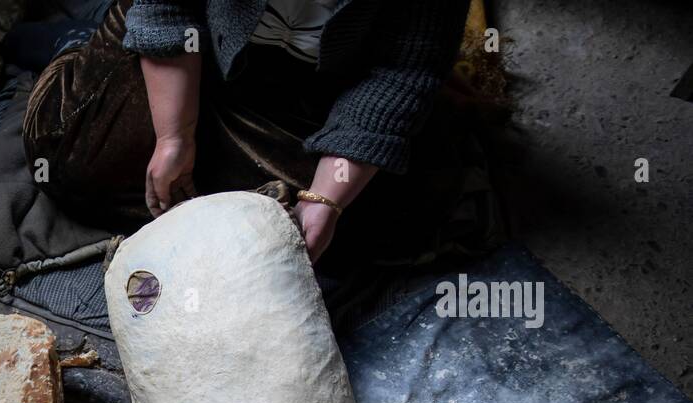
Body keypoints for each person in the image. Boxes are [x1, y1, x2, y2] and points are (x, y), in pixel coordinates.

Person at [23, 0, 472, 265]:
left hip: (323, 87)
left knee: (384, 230)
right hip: (197, 45)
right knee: (71, 164)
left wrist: (325, 201)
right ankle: (75, 44)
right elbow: (167, 9)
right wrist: (174, 136)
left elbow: (399, 71)